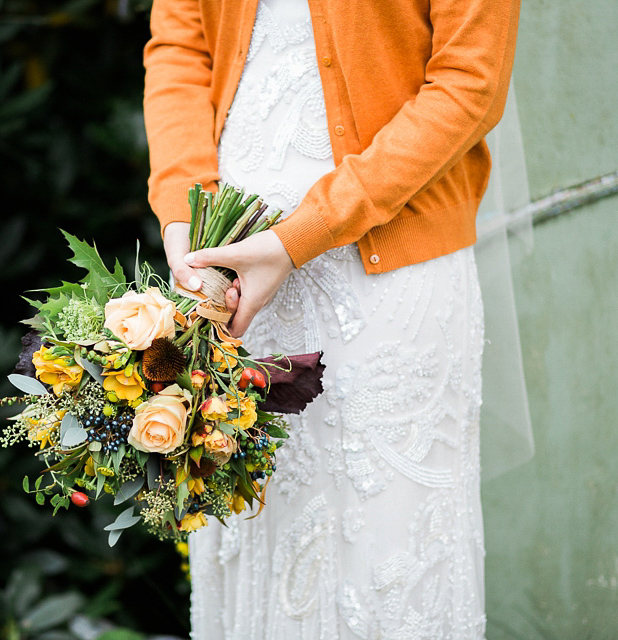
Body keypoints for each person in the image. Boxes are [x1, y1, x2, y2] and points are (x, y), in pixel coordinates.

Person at [143, 0, 520, 637]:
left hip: (388, 285)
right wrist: (184, 216)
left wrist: (303, 234)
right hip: (232, 282)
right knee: (255, 535)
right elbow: (181, 46)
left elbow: (469, 82)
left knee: (382, 555)